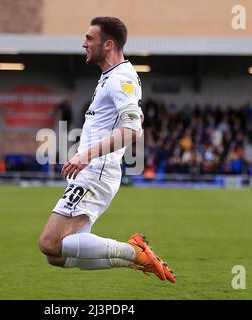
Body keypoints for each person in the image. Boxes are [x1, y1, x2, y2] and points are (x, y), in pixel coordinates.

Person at [38, 17, 176, 282]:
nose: (84, 43)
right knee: (56, 256)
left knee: (49, 242)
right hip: (93, 171)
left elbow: (132, 130)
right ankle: (133, 258)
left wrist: (86, 155)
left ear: (108, 44)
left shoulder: (119, 77)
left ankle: (134, 251)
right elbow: (135, 119)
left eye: (90, 38)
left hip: (96, 171)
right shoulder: (115, 76)